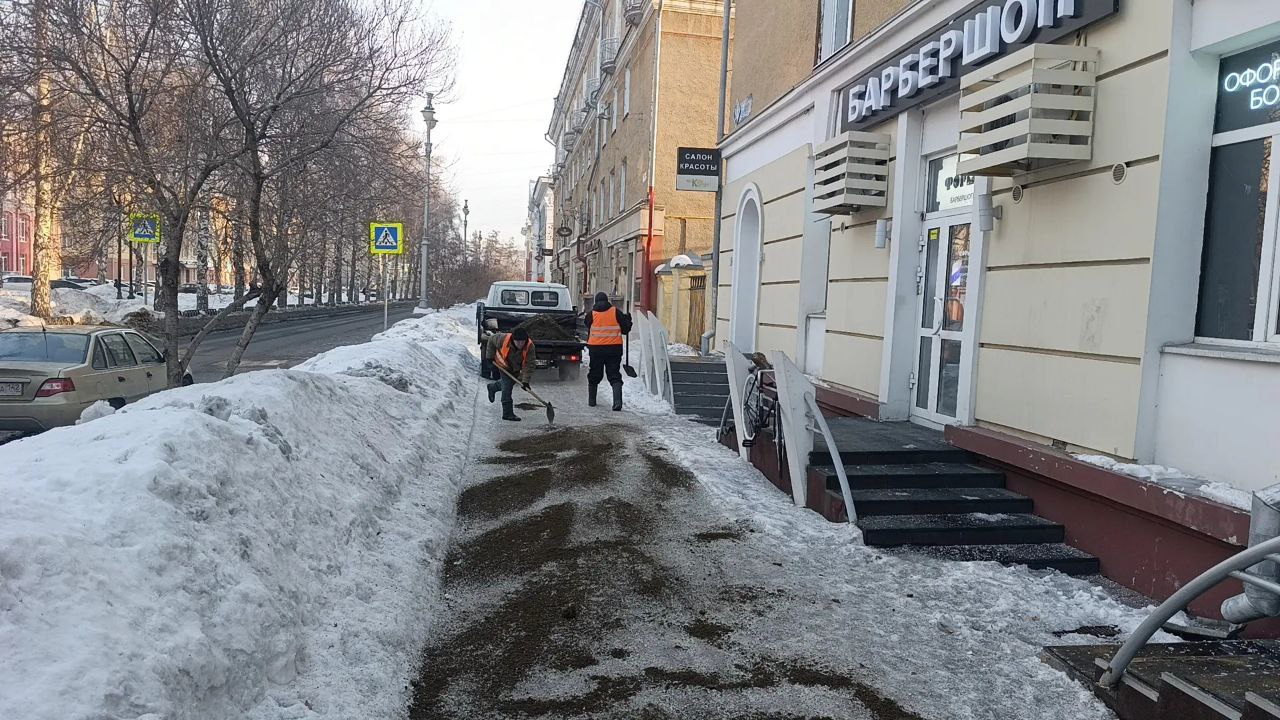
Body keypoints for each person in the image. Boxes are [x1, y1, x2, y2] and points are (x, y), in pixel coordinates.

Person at [582, 291, 633, 411]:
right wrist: (628, 320)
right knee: (614, 375)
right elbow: (625, 330)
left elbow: (586, 324)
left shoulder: (591, 314)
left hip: (596, 349)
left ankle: (592, 401)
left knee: (594, 374)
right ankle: (617, 402)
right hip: (614, 349)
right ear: (607, 301)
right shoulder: (616, 312)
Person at [485, 328, 535, 422]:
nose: (520, 344)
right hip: (503, 365)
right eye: (518, 342)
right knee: (507, 387)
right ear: (513, 339)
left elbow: (529, 365)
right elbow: (491, 339)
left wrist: (525, 381)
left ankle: (492, 387)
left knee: (506, 384)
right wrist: (489, 356)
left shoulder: (530, 346)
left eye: (522, 342)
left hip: (515, 368)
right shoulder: (503, 339)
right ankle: (507, 414)